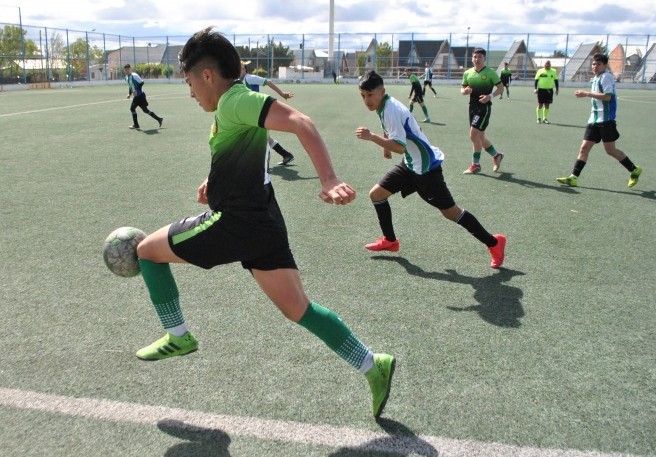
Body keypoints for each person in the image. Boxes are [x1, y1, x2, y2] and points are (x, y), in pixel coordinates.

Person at [133, 27, 396, 418]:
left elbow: (301, 122)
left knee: (146, 253)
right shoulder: (232, 106)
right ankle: (373, 365)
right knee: (298, 309)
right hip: (262, 221)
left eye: (189, 81)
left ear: (207, 76)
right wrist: (215, 181)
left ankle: (178, 335)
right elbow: (246, 153)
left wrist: (328, 178)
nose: (189, 92)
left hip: (235, 223)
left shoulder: (234, 100)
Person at [355, 70, 506, 269]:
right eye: (363, 96)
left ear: (382, 91)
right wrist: (385, 147)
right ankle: (390, 241)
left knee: (451, 212)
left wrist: (373, 138)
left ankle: (494, 242)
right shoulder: (383, 105)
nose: (367, 100)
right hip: (411, 164)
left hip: (426, 169)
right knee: (377, 194)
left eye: (370, 95)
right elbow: (393, 132)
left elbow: (399, 147)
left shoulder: (391, 109)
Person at [556, 54, 643, 188]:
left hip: (606, 120)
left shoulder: (606, 77)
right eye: (593, 64)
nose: (595, 67)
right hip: (594, 120)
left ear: (605, 65)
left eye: (598, 64)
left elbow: (607, 97)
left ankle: (634, 169)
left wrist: (586, 94)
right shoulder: (595, 78)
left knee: (610, 150)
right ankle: (573, 178)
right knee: (584, 148)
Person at [460, 48, 506, 175]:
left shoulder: (490, 72)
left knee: (473, 134)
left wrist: (489, 96)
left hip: (483, 108)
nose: (477, 59)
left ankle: (476, 164)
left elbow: (501, 87)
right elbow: (462, 89)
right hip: (472, 107)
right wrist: (465, 91)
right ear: (472, 58)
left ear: (484, 59)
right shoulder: (468, 73)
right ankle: (497, 155)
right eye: (475, 57)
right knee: (480, 136)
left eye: (480, 57)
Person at [240, 61, 295, 165]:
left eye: (241, 68)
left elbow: (268, 82)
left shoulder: (250, 78)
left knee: (257, 137)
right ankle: (285, 155)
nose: (238, 70)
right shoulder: (238, 81)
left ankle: (270, 159)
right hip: (250, 114)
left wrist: (282, 94)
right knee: (263, 137)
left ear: (244, 69)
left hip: (258, 112)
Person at [123, 63, 164, 130]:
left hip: (140, 95)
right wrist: (129, 94)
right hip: (137, 96)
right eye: (126, 70)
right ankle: (159, 119)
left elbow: (142, 82)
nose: (127, 71)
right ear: (124, 71)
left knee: (132, 109)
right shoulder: (126, 78)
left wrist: (136, 90)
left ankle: (136, 125)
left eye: (128, 69)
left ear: (130, 69)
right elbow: (130, 86)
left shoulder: (134, 75)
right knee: (145, 110)